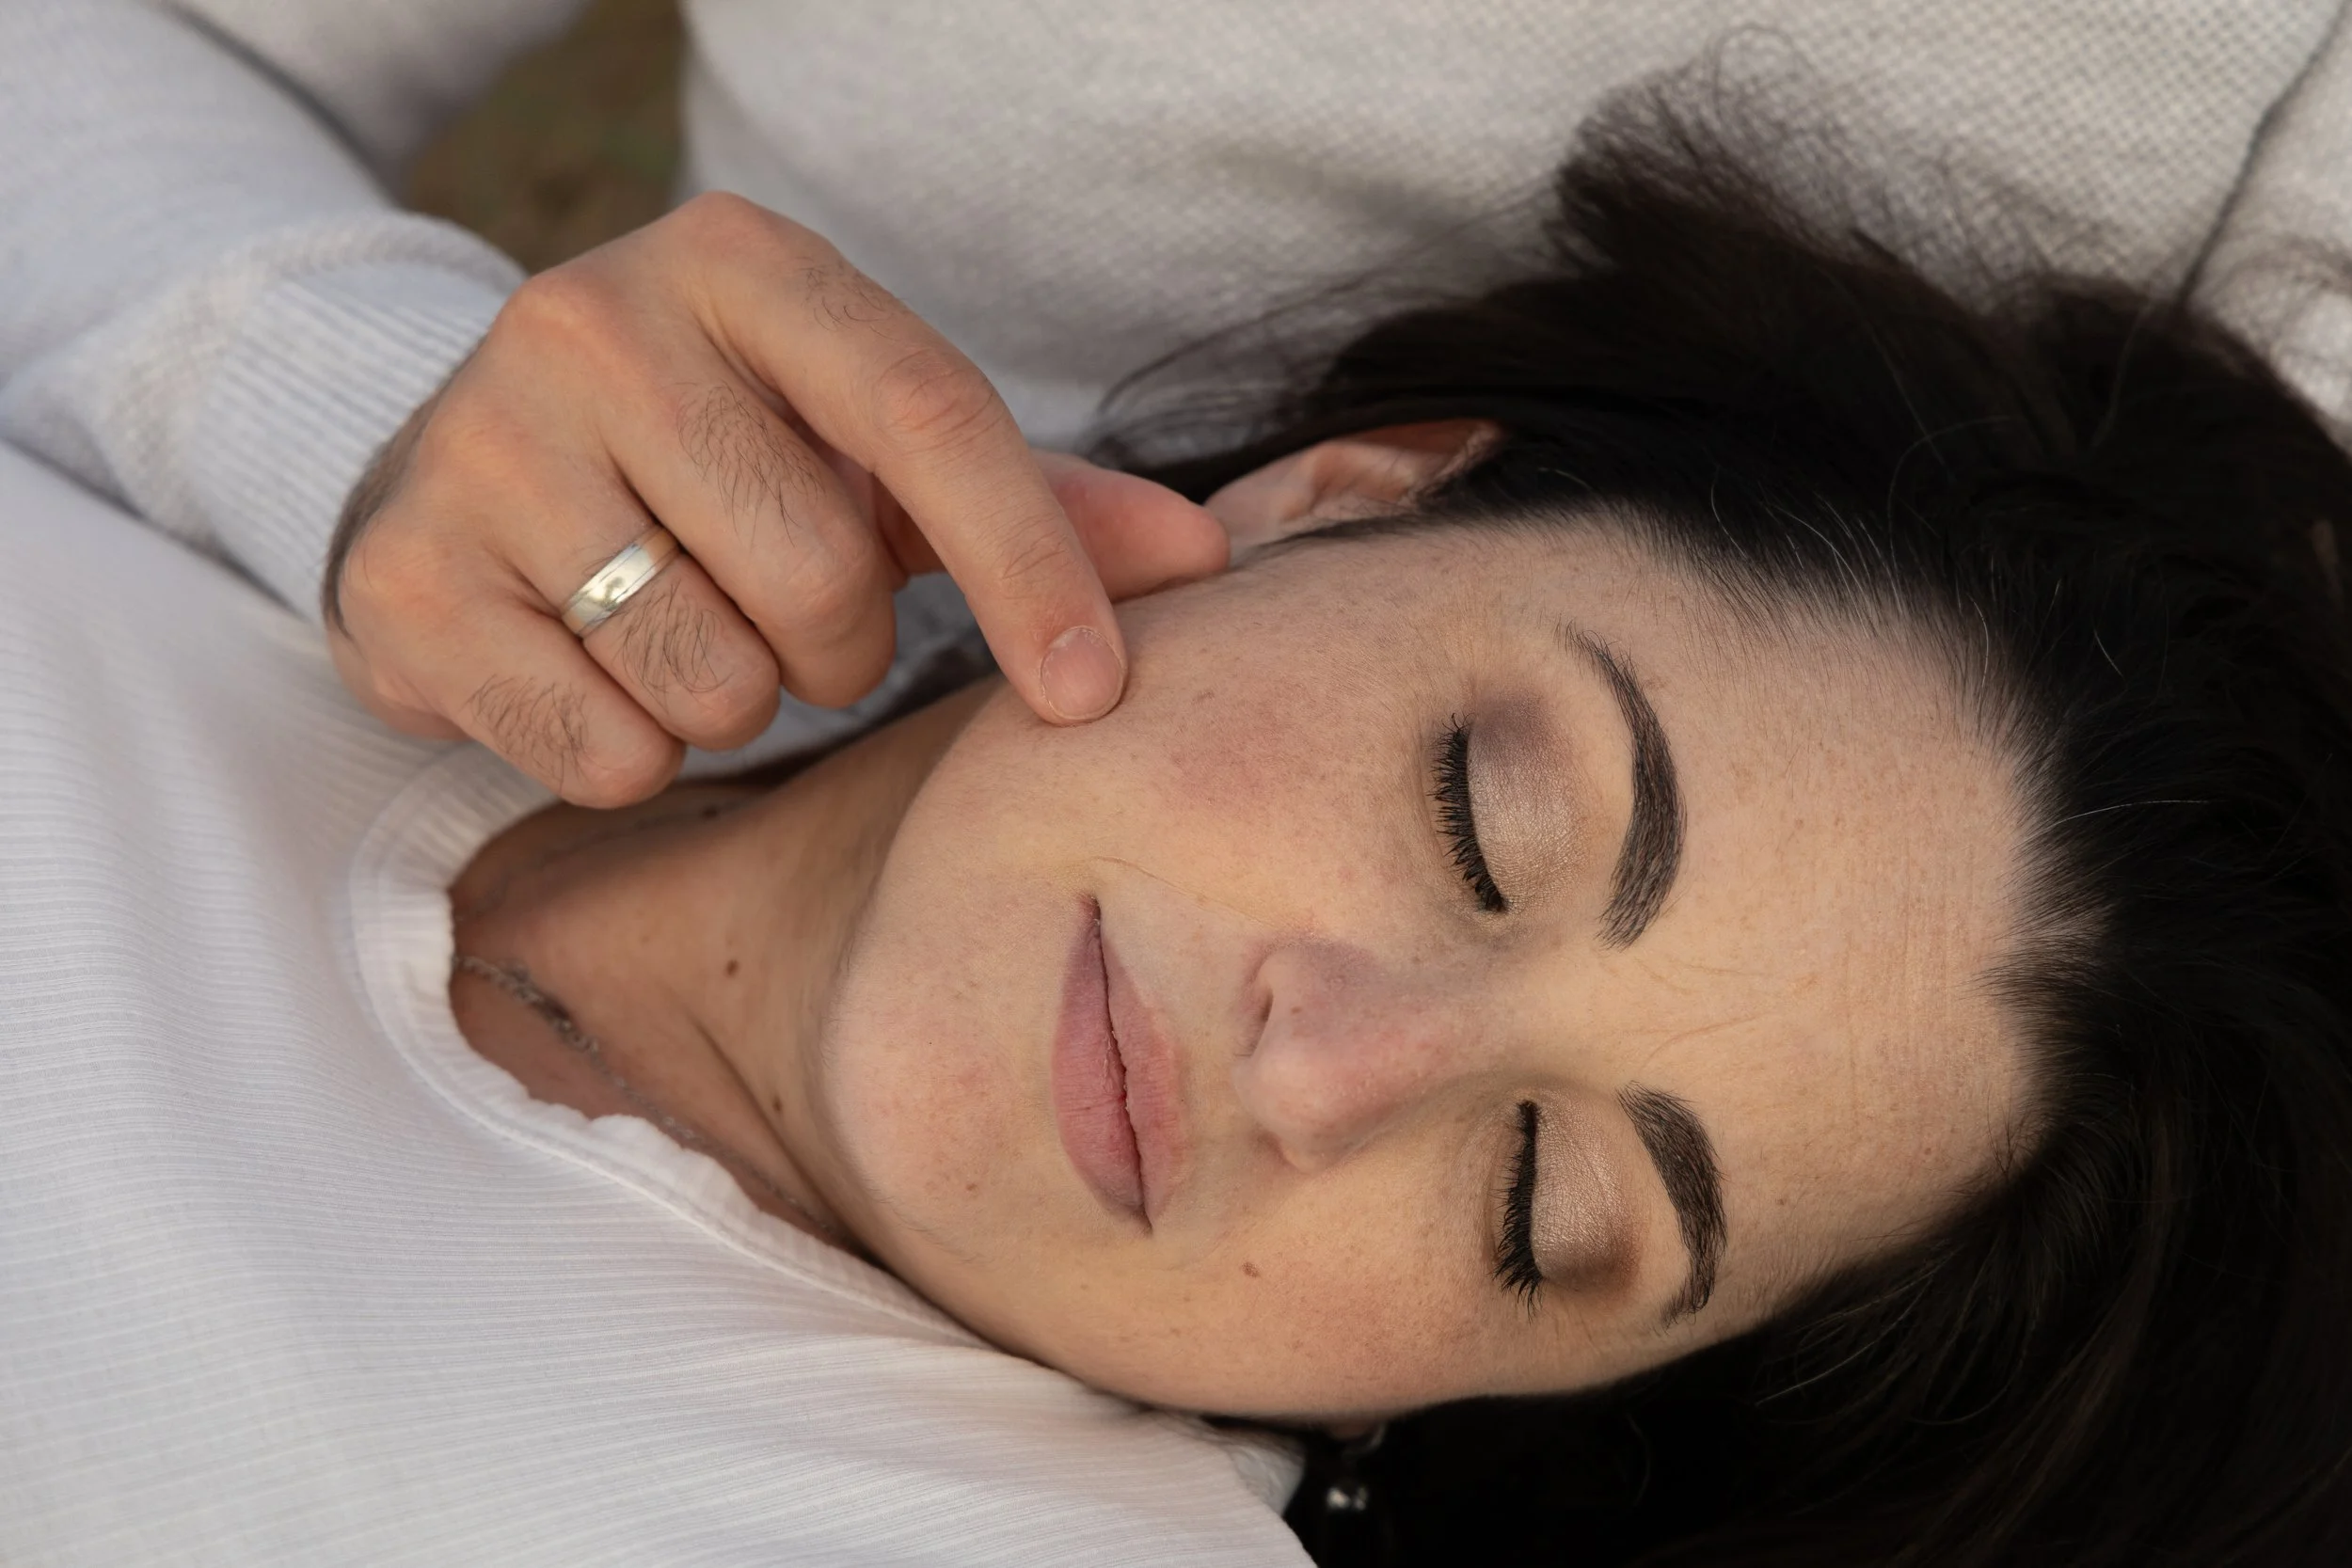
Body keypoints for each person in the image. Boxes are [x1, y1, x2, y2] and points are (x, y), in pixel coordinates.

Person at [4, 9, 2352, 1568]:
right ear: (1332, 497)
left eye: (1537, 1207)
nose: (1333, 1071)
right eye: (1470, 818)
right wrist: (313, 390)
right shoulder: (343, 502)